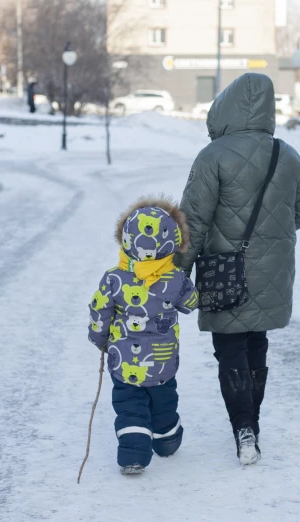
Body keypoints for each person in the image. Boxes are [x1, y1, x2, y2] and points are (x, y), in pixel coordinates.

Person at [177, 73, 300, 465]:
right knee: (257, 344)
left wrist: (179, 272)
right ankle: (252, 425)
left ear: (226, 107)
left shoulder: (213, 155)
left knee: (230, 347)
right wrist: (271, 236)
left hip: (224, 271)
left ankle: (242, 428)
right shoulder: (286, 154)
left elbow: (194, 223)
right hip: (273, 270)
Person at [88, 198, 198, 476]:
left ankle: (133, 455)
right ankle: (167, 441)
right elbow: (191, 303)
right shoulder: (176, 279)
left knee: (130, 406)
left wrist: (99, 339)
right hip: (162, 363)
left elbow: (99, 310)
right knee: (164, 403)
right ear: (173, 240)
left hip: (123, 361)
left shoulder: (114, 278)